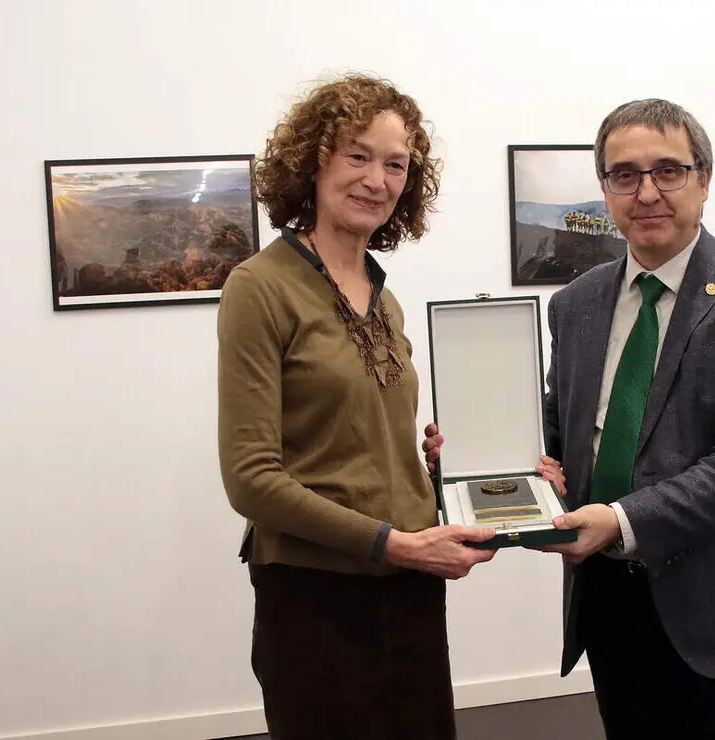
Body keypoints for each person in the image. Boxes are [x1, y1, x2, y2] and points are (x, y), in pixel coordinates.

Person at [216, 72, 496, 740]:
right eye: (358, 155)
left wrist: (437, 470)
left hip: (410, 583)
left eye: (395, 164)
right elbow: (251, 479)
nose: (377, 178)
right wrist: (393, 543)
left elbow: (361, 443)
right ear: (313, 159)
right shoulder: (259, 288)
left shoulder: (385, 297)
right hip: (315, 593)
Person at [533, 98, 715, 739]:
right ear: (604, 188)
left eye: (669, 170)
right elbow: (561, 428)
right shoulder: (576, 303)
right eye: (624, 174)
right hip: (606, 597)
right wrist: (505, 463)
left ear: (704, 179)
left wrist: (621, 520)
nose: (647, 192)